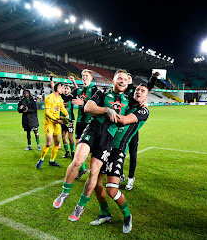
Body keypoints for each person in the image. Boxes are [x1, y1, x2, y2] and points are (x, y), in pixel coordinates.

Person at [52, 70, 129, 220]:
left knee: (94, 171)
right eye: (119, 78)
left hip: (108, 137)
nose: (122, 81)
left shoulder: (129, 100)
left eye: (125, 79)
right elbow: (88, 108)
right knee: (78, 160)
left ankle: (80, 206)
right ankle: (64, 193)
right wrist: (106, 110)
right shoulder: (102, 93)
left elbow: (136, 109)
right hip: (93, 128)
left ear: (127, 83)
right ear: (113, 81)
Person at [90, 83, 150, 234]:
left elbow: (123, 120)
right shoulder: (127, 101)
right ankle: (105, 214)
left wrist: (105, 112)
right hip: (106, 144)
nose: (139, 92)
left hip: (118, 150)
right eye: (137, 90)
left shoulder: (144, 110)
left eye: (143, 91)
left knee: (111, 190)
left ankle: (127, 216)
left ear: (147, 96)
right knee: (96, 183)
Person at [121, 71, 159, 190]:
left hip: (132, 131)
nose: (139, 92)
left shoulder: (138, 98)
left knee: (132, 155)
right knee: (120, 153)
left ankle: (130, 178)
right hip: (120, 130)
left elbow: (148, 87)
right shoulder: (125, 94)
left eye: (128, 77)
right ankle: (120, 174)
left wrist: (153, 77)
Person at [36, 83, 69, 169]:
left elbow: (62, 107)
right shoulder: (49, 98)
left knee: (57, 143)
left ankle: (52, 160)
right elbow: (47, 113)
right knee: (48, 143)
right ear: (58, 88)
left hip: (57, 124)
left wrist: (67, 114)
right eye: (63, 88)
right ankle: (41, 159)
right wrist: (56, 120)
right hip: (49, 123)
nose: (64, 90)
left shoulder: (60, 98)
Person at [50, 75, 78, 159]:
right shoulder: (60, 96)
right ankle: (67, 152)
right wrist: (51, 79)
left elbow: (77, 89)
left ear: (70, 90)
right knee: (63, 136)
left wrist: (73, 81)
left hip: (69, 120)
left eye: (67, 88)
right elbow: (53, 88)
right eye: (64, 88)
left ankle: (73, 152)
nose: (65, 90)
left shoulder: (72, 96)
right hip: (61, 119)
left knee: (70, 137)